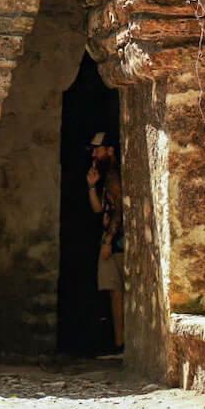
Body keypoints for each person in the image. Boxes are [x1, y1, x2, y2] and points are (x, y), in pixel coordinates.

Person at [86, 132, 124, 351]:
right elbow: (99, 209)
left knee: (117, 294)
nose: (94, 153)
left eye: (97, 149)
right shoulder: (106, 176)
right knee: (114, 293)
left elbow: (119, 211)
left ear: (109, 150)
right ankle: (120, 344)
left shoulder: (114, 177)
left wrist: (108, 240)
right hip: (112, 240)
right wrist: (92, 185)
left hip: (117, 243)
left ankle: (121, 345)